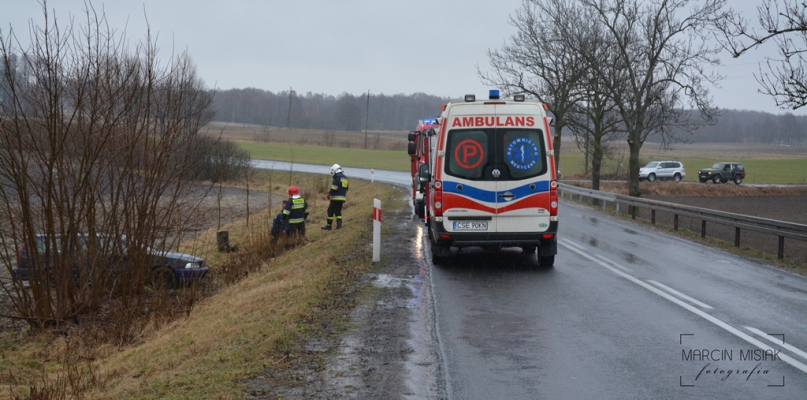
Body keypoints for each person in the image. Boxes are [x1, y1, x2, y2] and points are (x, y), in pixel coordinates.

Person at [322, 163, 348, 230]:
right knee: (338, 211)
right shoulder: (345, 178)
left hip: (335, 198)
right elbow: (346, 188)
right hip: (342, 198)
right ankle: (339, 225)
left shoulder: (337, 177)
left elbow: (334, 187)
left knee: (330, 211)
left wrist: (329, 194)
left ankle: (329, 226)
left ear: (335, 170)